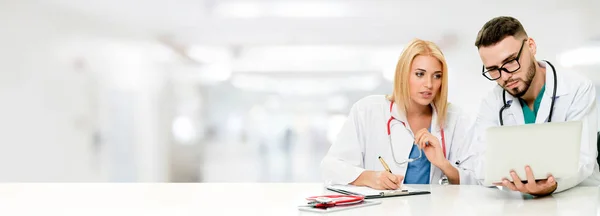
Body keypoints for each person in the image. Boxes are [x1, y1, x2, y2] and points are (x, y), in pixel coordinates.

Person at [320, 39, 479, 190]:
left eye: (437, 76)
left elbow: (477, 180)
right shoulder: (367, 110)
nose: (429, 84)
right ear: (403, 74)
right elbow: (330, 167)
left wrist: (444, 165)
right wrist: (370, 177)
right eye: (419, 74)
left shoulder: (456, 118)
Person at [471, 16, 600, 196]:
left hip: (575, 199)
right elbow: (479, 165)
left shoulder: (576, 88)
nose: (505, 76)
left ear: (531, 46)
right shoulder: (492, 102)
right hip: (520, 204)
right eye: (493, 69)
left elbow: (584, 160)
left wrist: (551, 185)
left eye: (510, 62)